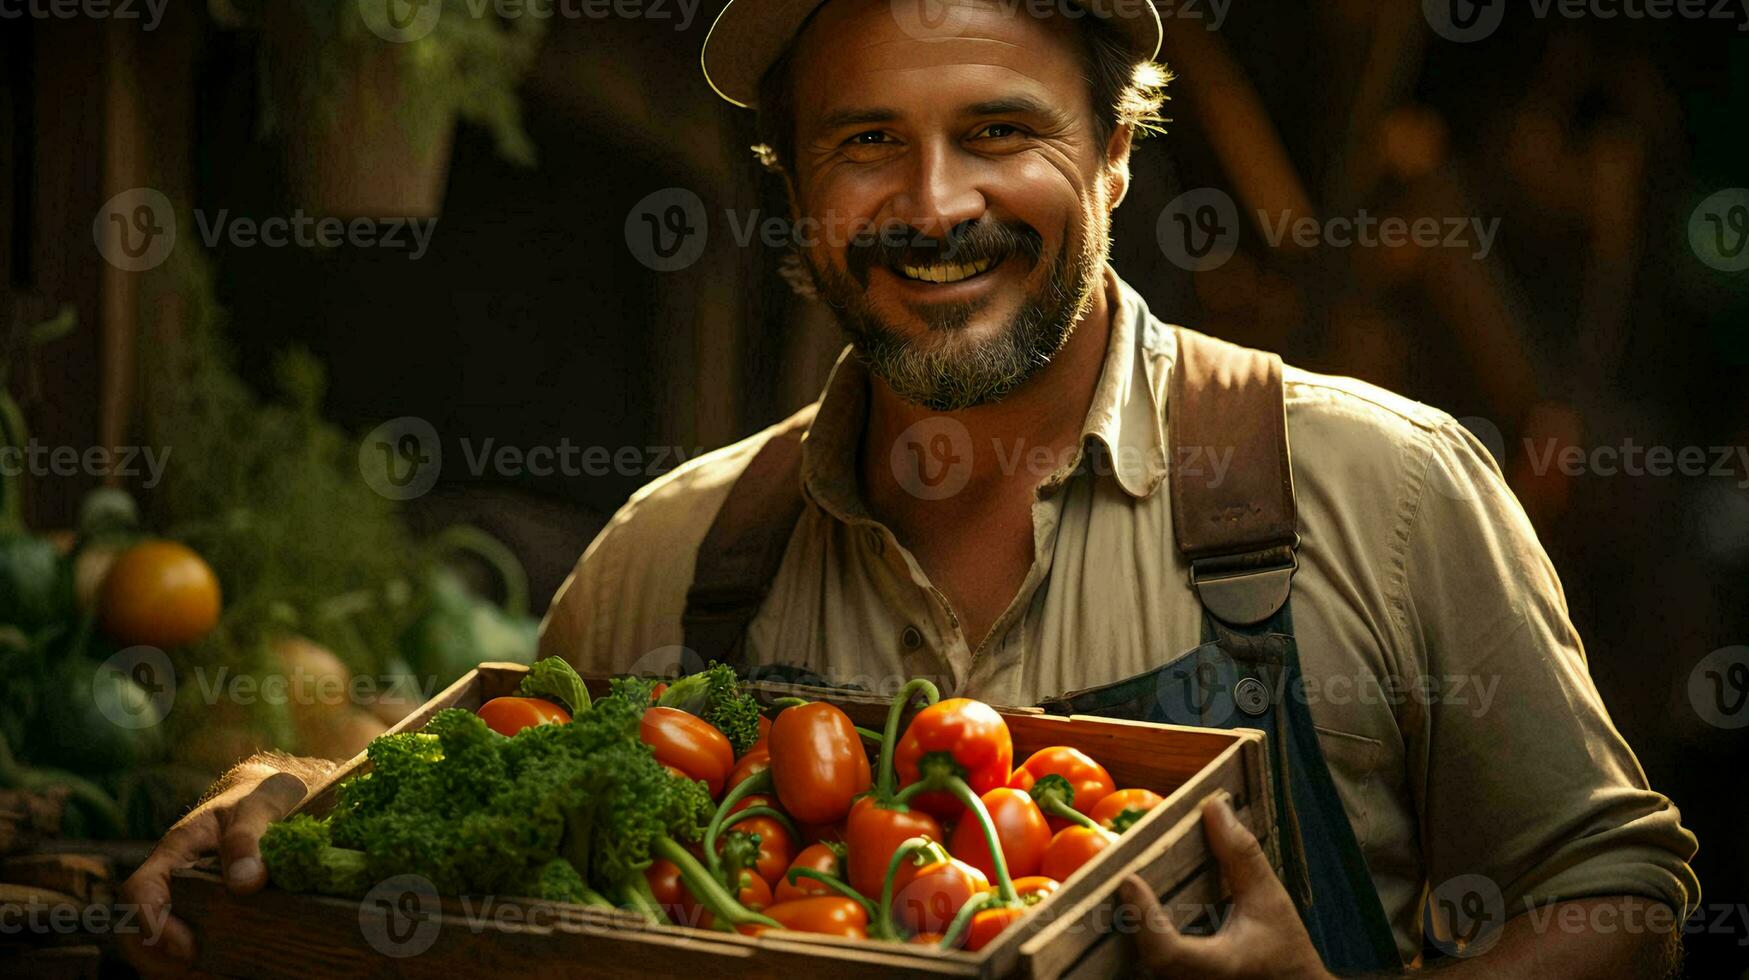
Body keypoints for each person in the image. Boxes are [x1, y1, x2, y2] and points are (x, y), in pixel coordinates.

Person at [122, 0, 1699, 976]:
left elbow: (1618, 887)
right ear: (798, 193)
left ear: (1112, 163)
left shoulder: (1374, 485)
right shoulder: (678, 555)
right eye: (866, 143)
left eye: (997, 133)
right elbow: (499, 813)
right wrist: (301, 802)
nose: (931, 204)